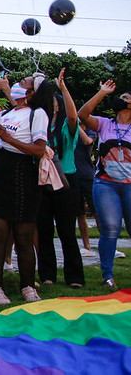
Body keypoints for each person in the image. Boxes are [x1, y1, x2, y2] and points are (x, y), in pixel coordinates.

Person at [0, 77, 51, 305]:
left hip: (23, 174)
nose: (19, 82)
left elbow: (38, 149)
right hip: (1, 172)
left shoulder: (38, 114)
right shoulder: (8, 112)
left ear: (32, 93)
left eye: (25, 82)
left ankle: (27, 286)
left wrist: (8, 138)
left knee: (24, 236)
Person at [77, 80, 131, 290]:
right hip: (105, 184)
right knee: (110, 228)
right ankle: (107, 274)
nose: (121, 99)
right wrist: (102, 92)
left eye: (126, 98)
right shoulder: (105, 124)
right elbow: (82, 115)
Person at [36, 69, 85, 288]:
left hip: (66, 182)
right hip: (44, 183)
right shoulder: (39, 124)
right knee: (44, 229)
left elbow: (74, 116)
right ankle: (47, 275)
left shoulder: (66, 126)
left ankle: (74, 277)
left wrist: (63, 88)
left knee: (66, 231)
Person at [73, 122, 98, 257]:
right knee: (80, 213)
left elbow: (88, 141)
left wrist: (77, 125)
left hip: (88, 175)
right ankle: (86, 246)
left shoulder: (90, 132)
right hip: (74, 175)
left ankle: (108, 244)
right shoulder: (70, 131)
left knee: (97, 211)